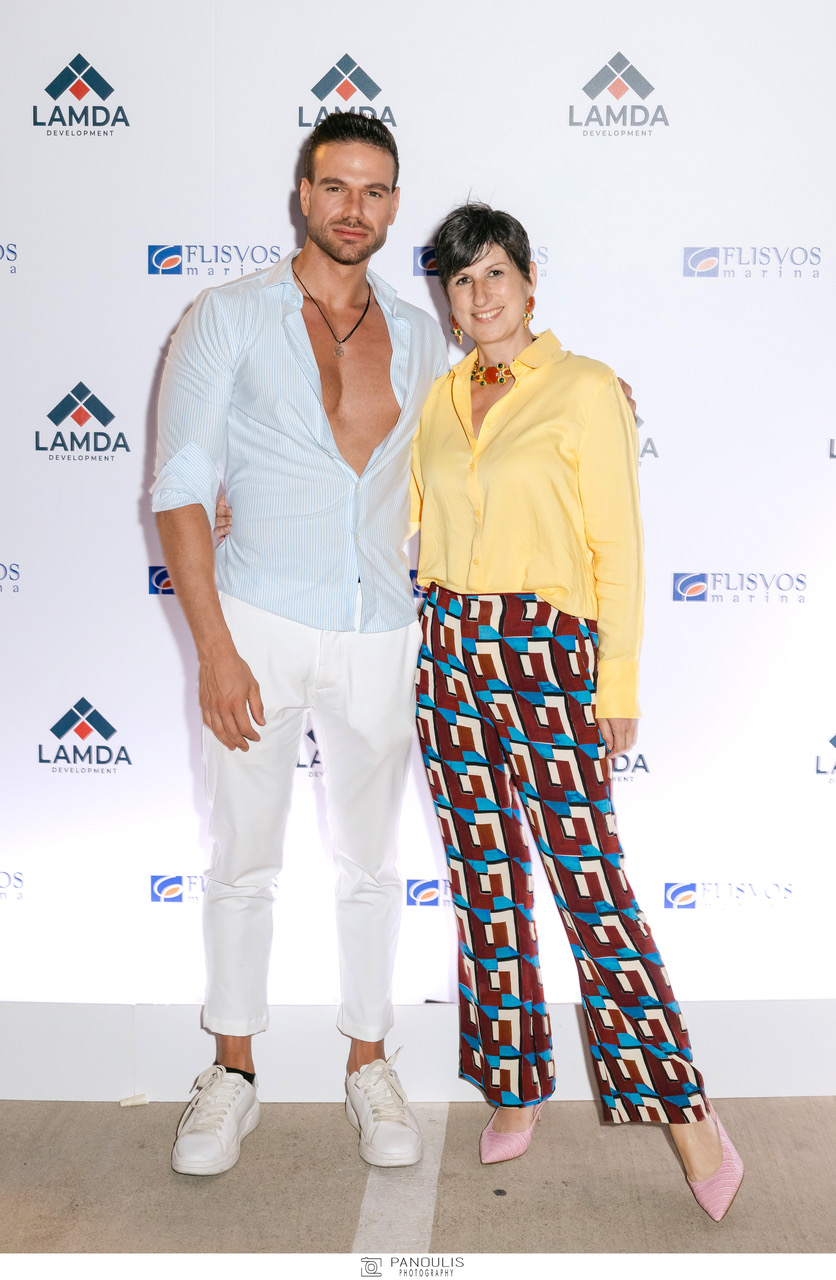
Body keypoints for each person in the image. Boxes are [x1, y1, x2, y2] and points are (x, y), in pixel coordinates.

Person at [409, 203, 743, 1221]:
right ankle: (513, 1081)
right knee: (484, 879)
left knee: (588, 885)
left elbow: (618, 545)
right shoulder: (438, 399)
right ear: (448, 300)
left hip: (547, 651)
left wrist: (616, 682)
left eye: (495, 273)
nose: (480, 295)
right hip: (447, 651)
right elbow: (398, 520)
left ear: (528, 281)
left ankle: (687, 1112)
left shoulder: (588, 388)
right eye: (461, 280)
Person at [152, 113, 449, 1175]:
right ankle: (231, 1072)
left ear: (394, 204)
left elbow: (492, 422)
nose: (351, 209)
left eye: (372, 191)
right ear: (302, 192)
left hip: (381, 628)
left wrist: (593, 400)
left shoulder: (421, 335)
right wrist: (213, 648)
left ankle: (370, 1060)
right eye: (335, 187)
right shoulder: (226, 315)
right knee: (243, 857)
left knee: (372, 863)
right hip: (257, 625)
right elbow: (180, 486)